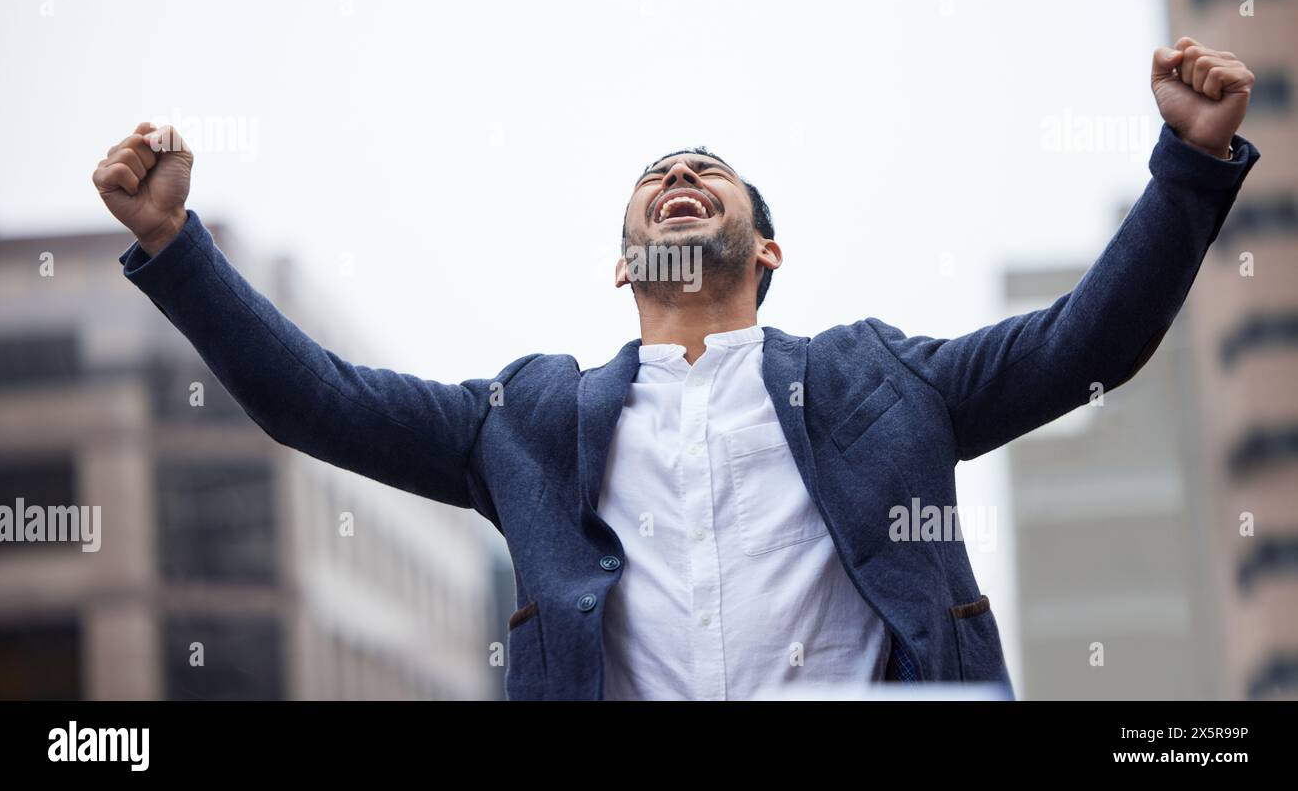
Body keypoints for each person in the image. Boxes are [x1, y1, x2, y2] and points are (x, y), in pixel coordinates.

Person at [92, 37, 1260, 700]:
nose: (677, 175)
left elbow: (1084, 346)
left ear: (766, 251)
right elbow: (316, 402)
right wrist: (174, 247)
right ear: (620, 265)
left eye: (705, 169)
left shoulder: (880, 380)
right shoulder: (527, 419)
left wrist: (1188, 165)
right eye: (654, 177)